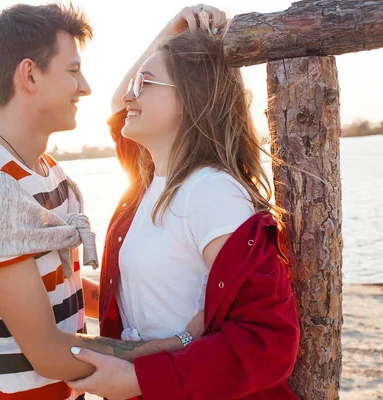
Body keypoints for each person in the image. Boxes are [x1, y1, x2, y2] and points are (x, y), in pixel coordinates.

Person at [0, 4, 205, 400]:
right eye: (73, 71)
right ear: (30, 75)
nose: (85, 86)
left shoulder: (47, 172)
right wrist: (183, 343)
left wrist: (170, 33)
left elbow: (59, 291)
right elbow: (51, 354)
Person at [67, 5, 301, 400]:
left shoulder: (212, 194)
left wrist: (141, 380)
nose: (129, 94)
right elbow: (117, 107)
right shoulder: (148, 179)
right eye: (135, 82)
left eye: (146, 84)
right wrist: (171, 30)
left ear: (190, 99)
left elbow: (267, 341)